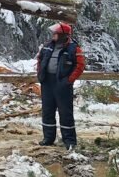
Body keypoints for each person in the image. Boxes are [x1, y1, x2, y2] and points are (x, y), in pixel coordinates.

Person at [36, 22, 86, 150]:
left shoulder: (74, 48)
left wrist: (69, 80)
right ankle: (48, 138)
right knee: (47, 111)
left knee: (65, 112)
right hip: (47, 82)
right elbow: (40, 60)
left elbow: (80, 66)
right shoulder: (47, 46)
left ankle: (69, 140)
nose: (53, 35)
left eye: (56, 33)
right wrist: (40, 74)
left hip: (62, 84)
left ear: (63, 35)